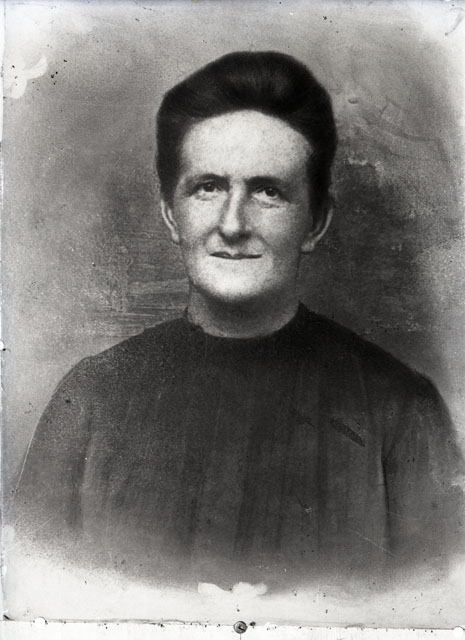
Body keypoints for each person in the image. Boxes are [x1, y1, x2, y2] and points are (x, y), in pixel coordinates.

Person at [13, 51, 464, 591]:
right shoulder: (89, 399)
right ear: (170, 213)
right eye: (207, 187)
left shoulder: (401, 411)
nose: (232, 224)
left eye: (268, 191)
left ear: (316, 222)